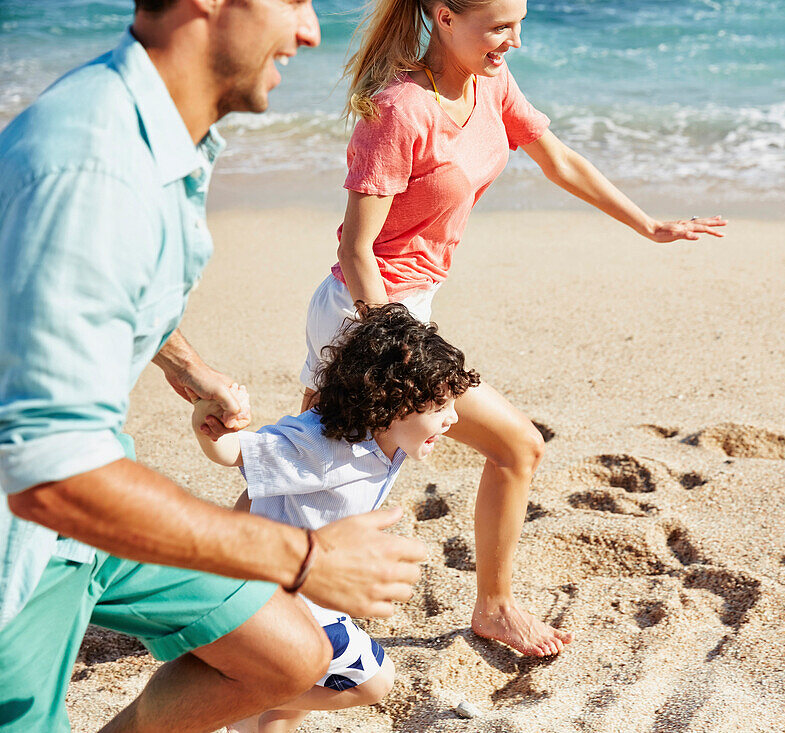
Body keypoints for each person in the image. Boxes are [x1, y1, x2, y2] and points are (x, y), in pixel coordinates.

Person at [0, 2, 426, 731]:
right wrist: (299, 556)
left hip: (92, 493)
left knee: (289, 655)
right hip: (32, 533)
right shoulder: (94, 167)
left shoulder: (157, 138)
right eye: (292, 0)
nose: (312, 31)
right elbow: (48, 475)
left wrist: (185, 362)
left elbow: (75, 287)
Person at [299, 0, 727, 657]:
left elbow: (558, 160)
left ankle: (211, 587)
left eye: (519, 24)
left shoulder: (490, 84)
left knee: (299, 469)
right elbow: (358, 248)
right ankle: (492, 607)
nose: (515, 41)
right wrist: (394, 346)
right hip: (367, 315)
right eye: (500, 26)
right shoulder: (400, 108)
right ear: (444, 17)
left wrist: (649, 224)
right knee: (511, 447)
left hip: (404, 311)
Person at [193, 303, 479, 733]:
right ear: (395, 405)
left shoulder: (393, 440)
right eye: (441, 408)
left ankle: (252, 711)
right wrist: (210, 424)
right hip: (281, 600)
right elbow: (237, 453)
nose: (453, 419)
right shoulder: (322, 446)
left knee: (287, 711)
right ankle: (240, 694)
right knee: (374, 682)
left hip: (314, 594)